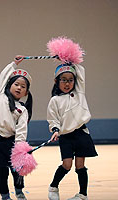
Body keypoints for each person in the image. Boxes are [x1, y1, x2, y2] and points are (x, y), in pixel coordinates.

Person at [47, 63, 98, 200]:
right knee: (67, 165)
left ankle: (83, 194)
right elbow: (53, 119)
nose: (67, 83)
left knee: (80, 165)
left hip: (81, 134)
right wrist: (56, 130)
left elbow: (81, 71)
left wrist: (70, 60)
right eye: (63, 79)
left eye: (70, 80)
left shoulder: (79, 93)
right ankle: (53, 187)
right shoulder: (55, 100)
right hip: (66, 137)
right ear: (56, 81)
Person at [0, 56, 33, 200]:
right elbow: (3, 75)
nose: (19, 87)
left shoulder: (22, 110)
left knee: (16, 171)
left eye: (23, 87)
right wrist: (14, 64)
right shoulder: (1, 95)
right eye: (16, 84)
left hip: (11, 142)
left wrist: (20, 148)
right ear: (8, 85)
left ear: (26, 93)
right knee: (2, 171)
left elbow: (21, 131)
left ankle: (19, 192)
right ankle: (5, 195)